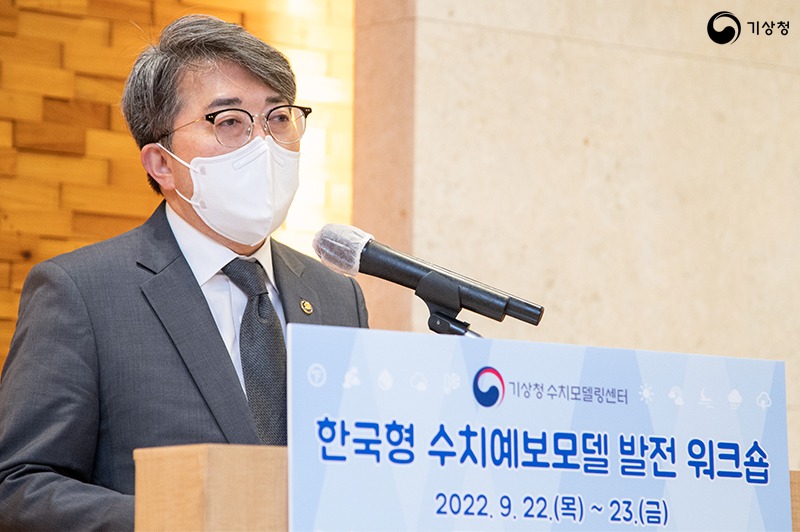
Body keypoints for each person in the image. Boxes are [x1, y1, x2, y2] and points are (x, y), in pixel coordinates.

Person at [0, 14, 368, 530]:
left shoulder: (337, 295)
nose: (264, 143)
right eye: (230, 121)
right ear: (162, 163)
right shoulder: (81, 293)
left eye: (279, 117)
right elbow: (18, 487)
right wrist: (179, 520)